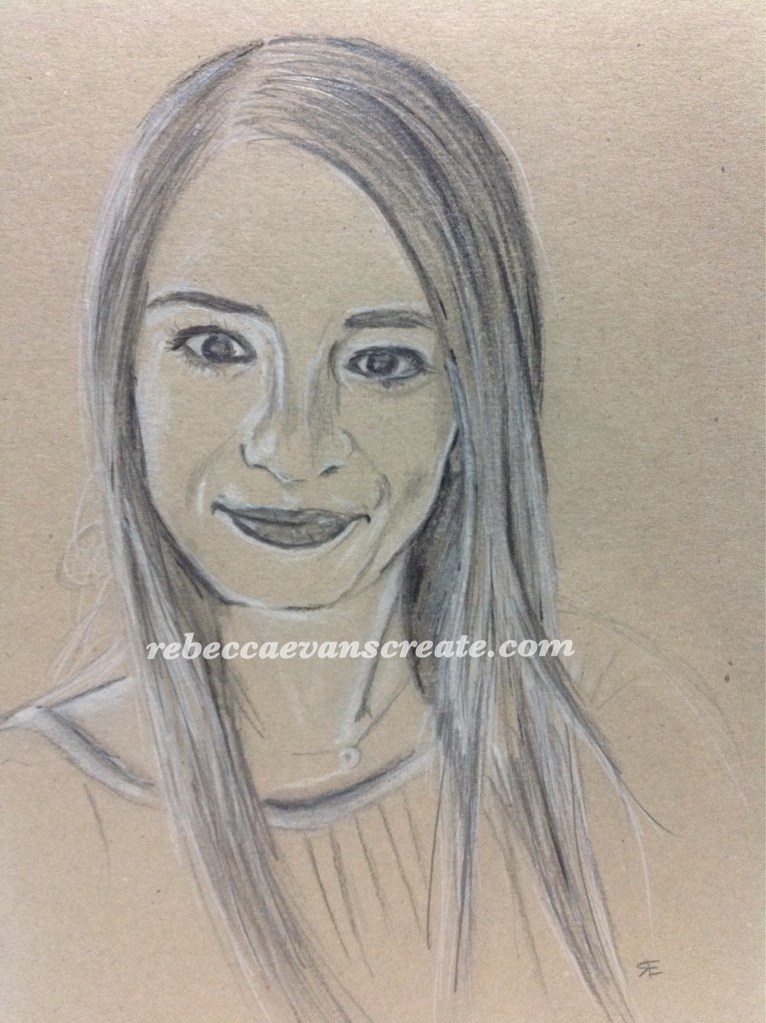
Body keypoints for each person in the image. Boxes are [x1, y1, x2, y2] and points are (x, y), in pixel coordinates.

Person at [0, 35, 740, 1023]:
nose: (292, 448)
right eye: (215, 346)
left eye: (383, 362)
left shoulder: (621, 742)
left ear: (472, 404)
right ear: (122, 377)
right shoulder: (31, 809)